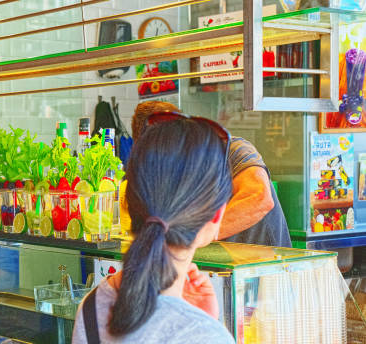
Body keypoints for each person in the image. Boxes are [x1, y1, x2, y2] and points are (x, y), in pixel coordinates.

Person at [73, 117, 234, 343]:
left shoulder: (92, 306)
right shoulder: (206, 336)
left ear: (128, 203)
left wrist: (199, 320)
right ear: (217, 214)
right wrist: (205, 324)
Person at [122, 101, 291, 247]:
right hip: (222, 271)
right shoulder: (171, 173)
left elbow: (259, 198)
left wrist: (201, 236)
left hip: (268, 269)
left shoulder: (232, 149)